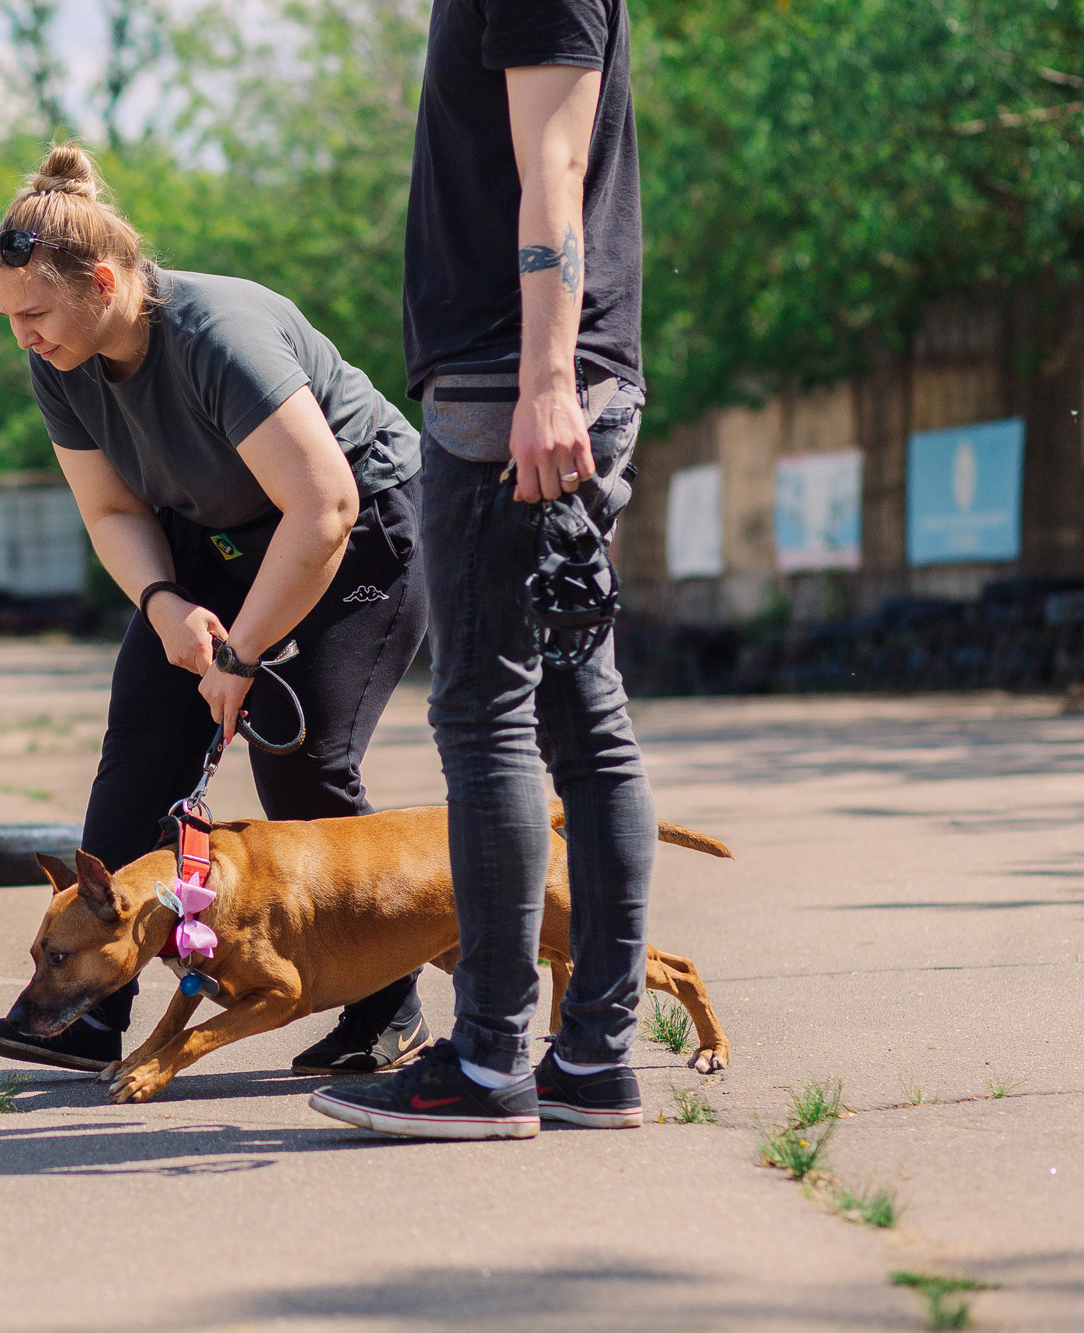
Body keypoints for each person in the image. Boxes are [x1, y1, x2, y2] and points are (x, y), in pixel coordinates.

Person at [0, 144, 431, 1077]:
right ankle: (89, 1006)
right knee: (141, 746)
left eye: (35, 314)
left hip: (360, 523)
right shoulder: (63, 359)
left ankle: (389, 1006)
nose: (23, 337)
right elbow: (111, 510)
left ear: (102, 282)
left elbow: (323, 507)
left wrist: (243, 654)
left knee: (303, 758)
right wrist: (166, 603)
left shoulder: (217, 336)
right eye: (9, 317)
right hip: (214, 545)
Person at [308, 0, 655, 1139]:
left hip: (514, 390)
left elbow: (552, 164)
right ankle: (590, 1059)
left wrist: (545, 382)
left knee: (487, 713)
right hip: (529, 382)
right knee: (573, 708)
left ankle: (490, 1058)